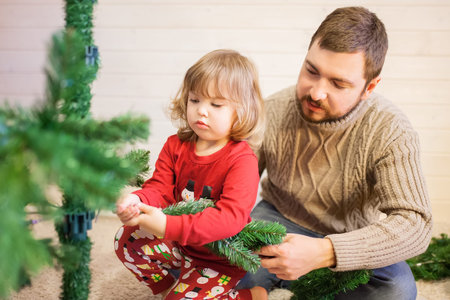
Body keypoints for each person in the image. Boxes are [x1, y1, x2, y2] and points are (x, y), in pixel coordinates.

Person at [237, 6, 432, 300]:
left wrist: (325, 251)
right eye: (311, 71)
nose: (316, 92)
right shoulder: (272, 110)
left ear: (370, 87)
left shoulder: (391, 130)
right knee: (210, 268)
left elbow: (415, 224)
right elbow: (228, 177)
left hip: (352, 237)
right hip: (276, 219)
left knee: (398, 290)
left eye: (338, 83)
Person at [114, 49, 268, 299]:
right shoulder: (176, 145)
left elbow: (229, 219)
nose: (201, 111)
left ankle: (246, 296)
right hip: (179, 245)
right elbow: (160, 189)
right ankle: (169, 289)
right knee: (125, 239)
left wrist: (167, 224)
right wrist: (138, 201)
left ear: (242, 111)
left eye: (216, 104)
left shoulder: (242, 160)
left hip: (219, 259)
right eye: (195, 100)